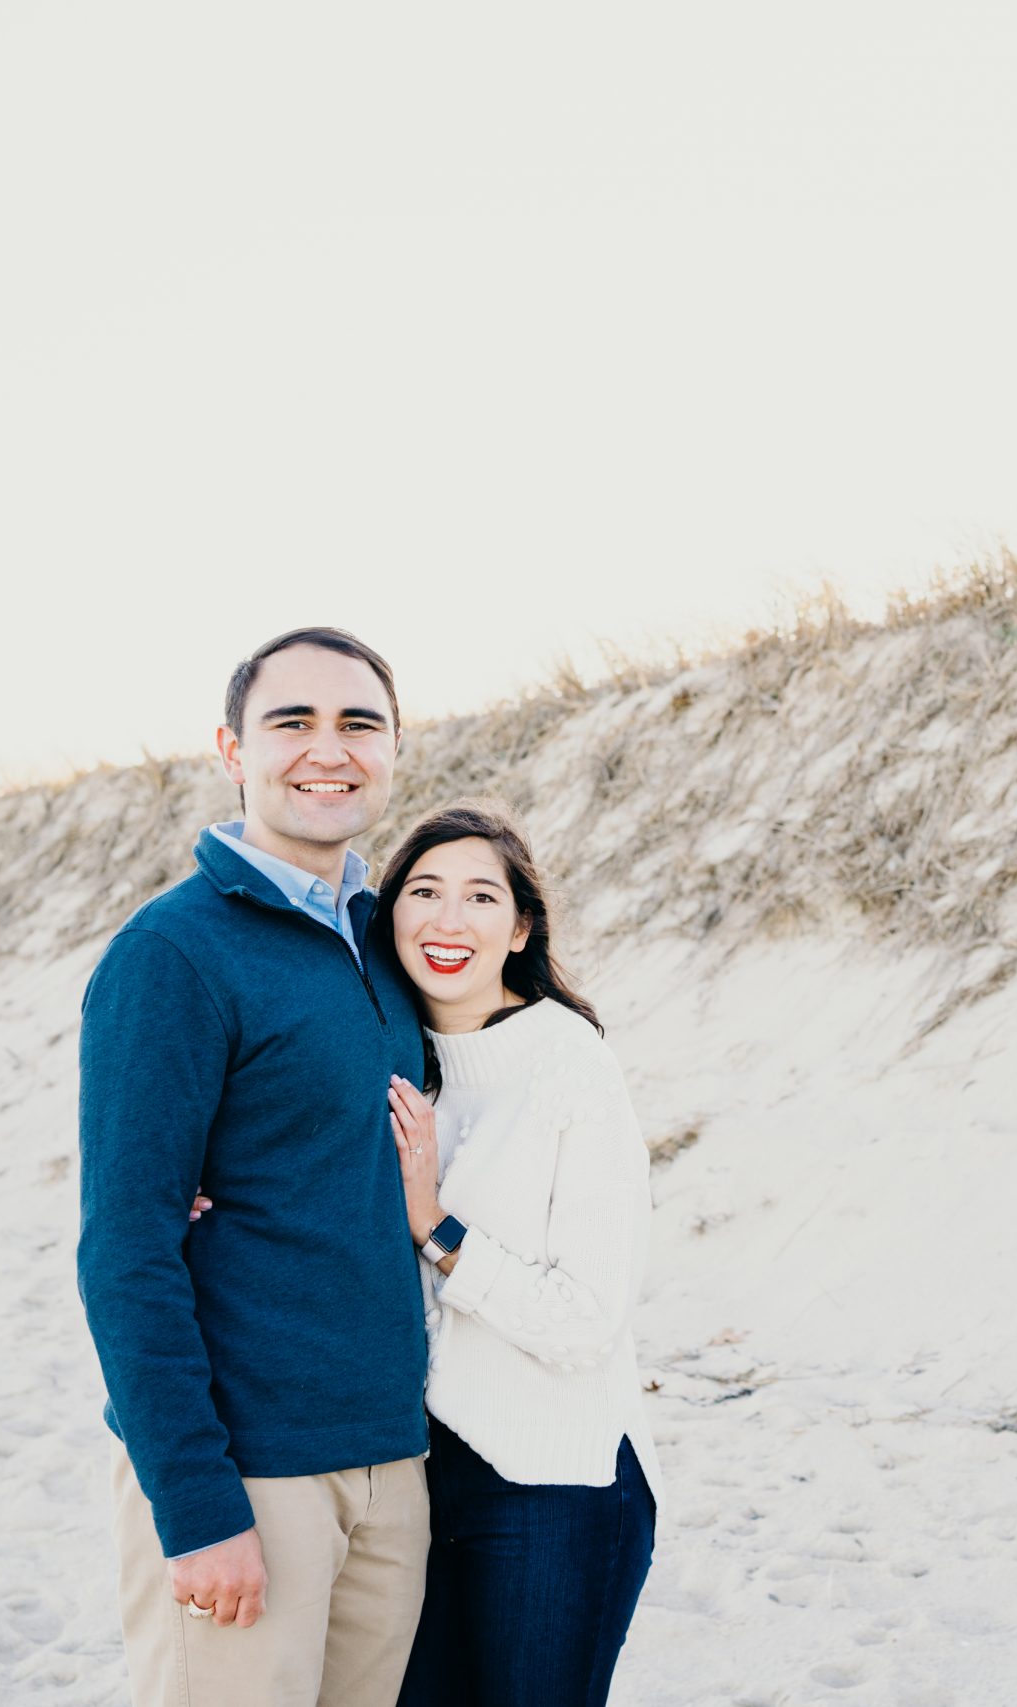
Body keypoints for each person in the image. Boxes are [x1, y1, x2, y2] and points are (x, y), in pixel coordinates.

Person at [75, 627, 433, 1707]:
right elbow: (126, 1250)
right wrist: (195, 1504)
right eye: (293, 722)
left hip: (390, 1463)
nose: (329, 749)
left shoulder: (388, 940)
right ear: (232, 748)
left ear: (393, 748)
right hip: (249, 1472)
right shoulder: (174, 953)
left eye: (357, 723)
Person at [376, 802, 662, 1707]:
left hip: (555, 1485)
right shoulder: (394, 1062)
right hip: (419, 1485)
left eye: (479, 896)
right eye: (424, 891)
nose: (447, 921)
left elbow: (585, 1320)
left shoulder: (568, 1063)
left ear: (520, 925)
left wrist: (438, 1230)